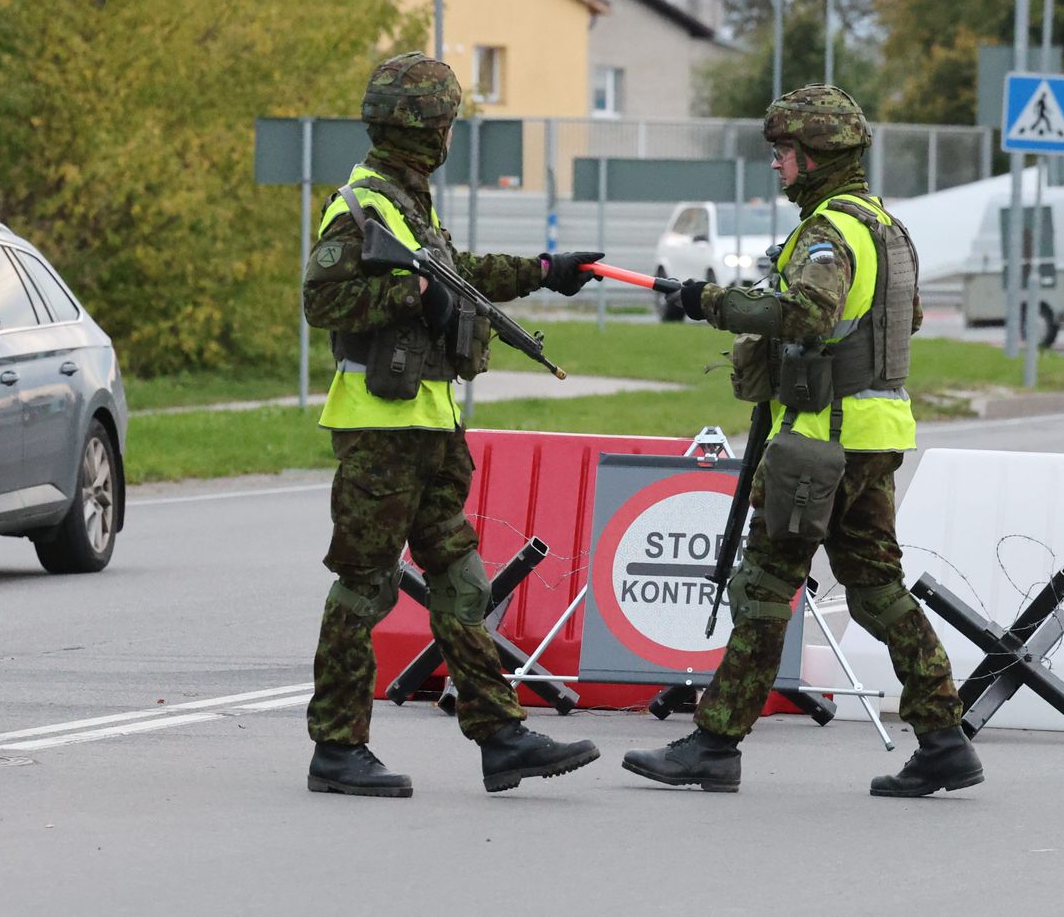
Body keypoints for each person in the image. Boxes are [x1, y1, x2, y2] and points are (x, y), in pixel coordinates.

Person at [621, 85, 984, 797]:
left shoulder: (827, 233)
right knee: (877, 587)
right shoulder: (884, 225)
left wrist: (712, 301)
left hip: (821, 441)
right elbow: (902, 320)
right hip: (873, 433)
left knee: (762, 587)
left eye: (784, 154)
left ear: (814, 158)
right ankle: (944, 737)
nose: (778, 168)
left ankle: (716, 741)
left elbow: (808, 313)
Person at [301, 52, 606, 796]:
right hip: (380, 428)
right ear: (428, 128)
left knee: (462, 579)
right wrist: (410, 299)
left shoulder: (409, 203)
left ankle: (500, 736)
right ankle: (336, 747)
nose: (448, 135)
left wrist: (543, 270)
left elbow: (457, 273)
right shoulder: (363, 203)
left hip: (427, 424)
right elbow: (324, 302)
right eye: (445, 123)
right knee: (364, 585)